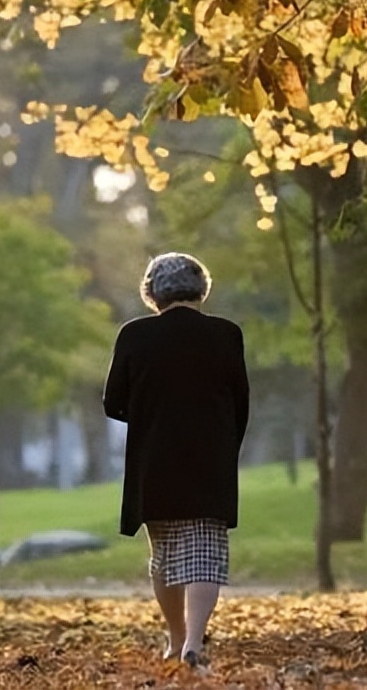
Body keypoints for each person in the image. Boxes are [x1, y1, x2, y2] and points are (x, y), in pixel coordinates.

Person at [103, 253, 249, 667]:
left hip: (154, 459)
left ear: (152, 292)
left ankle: (175, 636)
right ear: (201, 288)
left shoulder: (134, 335)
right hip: (210, 456)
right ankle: (194, 643)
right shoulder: (226, 334)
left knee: (165, 553)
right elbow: (240, 399)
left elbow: (113, 402)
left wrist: (150, 414)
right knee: (205, 551)